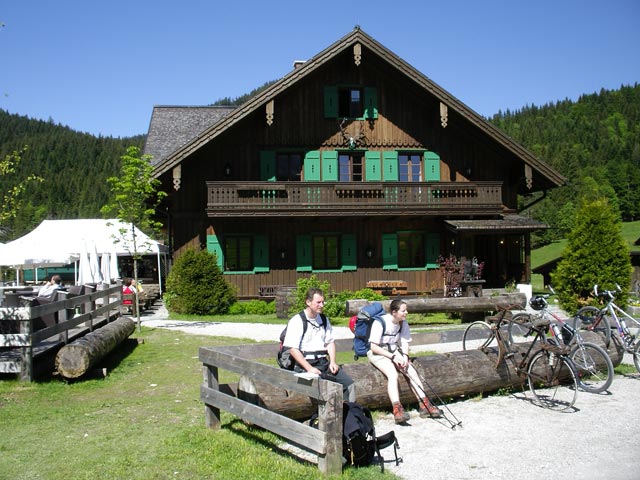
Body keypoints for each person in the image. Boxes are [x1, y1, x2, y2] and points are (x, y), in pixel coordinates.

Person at [368, 298, 443, 424]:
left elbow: (404, 341)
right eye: (403, 311)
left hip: (393, 351)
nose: (406, 313)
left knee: (411, 371)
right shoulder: (380, 322)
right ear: (394, 312)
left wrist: (405, 357)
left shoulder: (403, 323)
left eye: (406, 310)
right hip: (378, 353)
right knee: (392, 374)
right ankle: (397, 409)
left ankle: (424, 404)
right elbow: (373, 347)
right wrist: (392, 357)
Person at [283, 287, 356, 402]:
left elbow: (330, 342)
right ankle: (324, 417)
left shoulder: (324, 319)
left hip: (323, 362)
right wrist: (309, 368)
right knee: (323, 390)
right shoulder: (297, 321)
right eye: (318, 302)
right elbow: (293, 350)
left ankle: (351, 414)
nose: (321, 305)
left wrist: (332, 361)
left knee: (349, 385)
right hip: (304, 366)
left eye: (323, 302)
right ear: (308, 302)